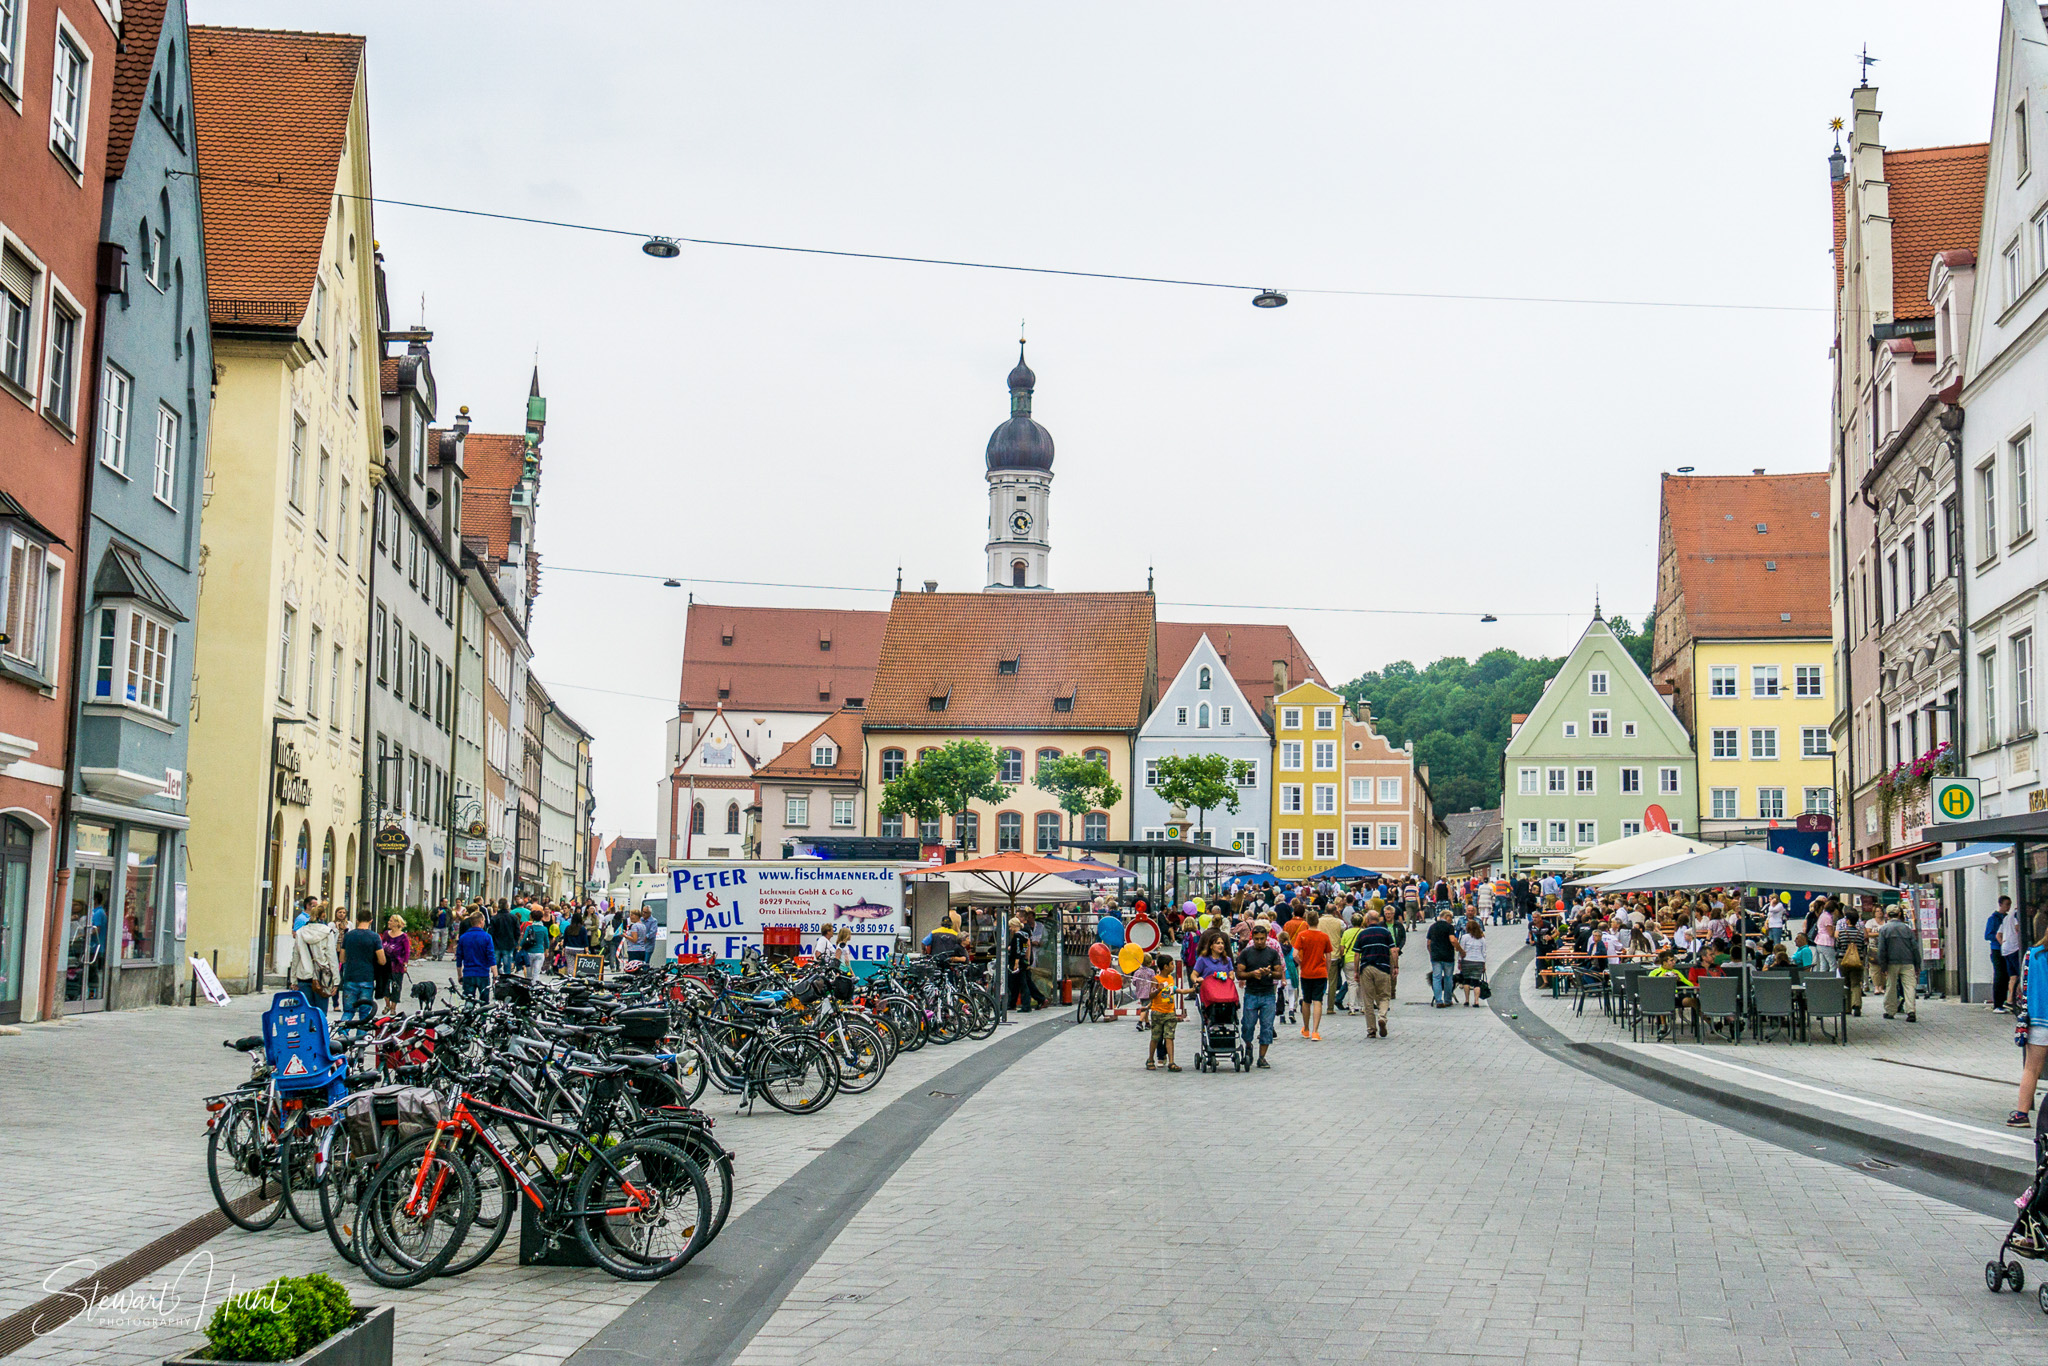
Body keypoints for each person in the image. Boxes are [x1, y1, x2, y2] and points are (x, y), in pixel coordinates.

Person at [2012, 917, 2048, 1127]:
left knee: (2031, 1069)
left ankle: (2021, 1114)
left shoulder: (2032, 955)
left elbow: (2023, 987)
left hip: (2039, 1020)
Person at [1234, 923, 1284, 1068]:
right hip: (1251, 993)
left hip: (1268, 994)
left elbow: (1279, 973)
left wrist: (1268, 973)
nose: (1260, 942)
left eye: (1262, 938)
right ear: (1253, 938)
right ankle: (1248, 1046)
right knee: (1248, 1024)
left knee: (1267, 1026)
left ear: (1266, 937)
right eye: (1257, 939)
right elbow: (1239, 973)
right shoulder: (1246, 953)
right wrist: (1252, 974)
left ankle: (1262, 1057)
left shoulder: (1272, 953)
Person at [1353, 909, 1397, 1036]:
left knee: (1368, 999)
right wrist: (1395, 967)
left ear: (1366, 920)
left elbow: (1357, 954)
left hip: (1366, 968)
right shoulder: (1386, 932)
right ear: (1379, 919)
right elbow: (1393, 950)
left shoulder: (1362, 934)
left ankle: (1371, 1030)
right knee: (1384, 996)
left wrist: (1356, 971)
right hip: (1383, 967)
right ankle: (1382, 1016)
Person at [289, 904, 340, 1014]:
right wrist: (336, 981)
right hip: (322, 977)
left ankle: (308, 1031)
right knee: (321, 1014)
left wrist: (293, 979)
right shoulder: (327, 932)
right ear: (323, 916)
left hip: (303, 975)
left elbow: (295, 957)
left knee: (306, 1013)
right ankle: (318, 1031)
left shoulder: (300, 932)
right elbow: (332, 957)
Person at [1874, 906, 1921, 1022]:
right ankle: (1911, 1011)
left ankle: (1890, 1011)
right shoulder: (1907, 929)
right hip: (1908, 961)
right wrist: (1917, 964)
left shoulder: (1884, 929)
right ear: (1899, 914)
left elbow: (1881, 950)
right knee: (1909, 986)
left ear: (1887, 915)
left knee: (1891, 986)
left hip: (1891, 962)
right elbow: (1915, 948)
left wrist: (1883, 965)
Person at [338, 911, 385, 1024]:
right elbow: (382, 960)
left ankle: (342, 1034)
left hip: (350, 977)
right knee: (365, 1013)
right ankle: (362, 1038)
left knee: (348, 1011)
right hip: (367, 977)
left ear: (357, 920)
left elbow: (342, 958)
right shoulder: (374, 937)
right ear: (371, 921)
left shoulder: (348, 935)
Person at [1292, 912, 1332, 1040]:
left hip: (1306, 972)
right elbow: (1329, 956)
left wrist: (1301, 963)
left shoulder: (1302, 935)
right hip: (1320, 972)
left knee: (1306, 1000)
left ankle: (1306, 1029)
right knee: (1318, 1000)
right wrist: (1327, 969)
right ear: (1318, 921)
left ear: (1307, 921)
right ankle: (1315, 1031)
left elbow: (1294, 954)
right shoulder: (1324, 936)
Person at [1145, 954, 1183, 1072]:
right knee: (1155, 1037)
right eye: (1171, 964)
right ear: (1165, 966)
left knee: (1169, 1037)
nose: (1173, 966)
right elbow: (1150, 995)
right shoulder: (1156, 979)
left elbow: (1172, 992)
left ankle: (1171, 1061)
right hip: (1158, 1012)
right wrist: (1158, 989)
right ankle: (1150, 1059)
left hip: (1169, 1011)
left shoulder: (1171, 978)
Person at [1423, 908, 1458, 1008]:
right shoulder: (1449, 927)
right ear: (1447, 917)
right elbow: (1453, 940)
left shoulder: (1432, 927)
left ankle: (1438, 1000)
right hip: (1448, 956)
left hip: (1436, 957)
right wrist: (1460, 950)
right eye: (1451, 918)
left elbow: (1428, 943)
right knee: (1448, 978)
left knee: (1436, 978)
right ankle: (1447, 1000)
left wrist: (1431, 953)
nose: (1451, 920)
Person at [457, 913, 496, 1002]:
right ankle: (482, 1015)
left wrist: (459, 975)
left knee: (469, 1001)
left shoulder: (463, 937)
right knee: (484, 1002)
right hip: (483, 974)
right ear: (481, 921)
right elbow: (491, 958)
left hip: (468, 973)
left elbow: (459, 958)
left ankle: (469, 1014)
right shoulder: (487, 937)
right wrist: (495, 975)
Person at [1835, 909, 1867, 1014]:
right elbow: (1862, 946)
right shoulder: (1861, 933)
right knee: (1856, 983)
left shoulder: (1842, 933)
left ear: (1847, 920)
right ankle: (1857, 1005)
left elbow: (1838, 946)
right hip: (1857, 960)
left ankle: (1847, 1007)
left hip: (1843, 960)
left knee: (1846, 983)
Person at [378, 914, 412, 1013]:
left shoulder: (403, 936)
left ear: (397, 923)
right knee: (384, 985)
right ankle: (387, 1004)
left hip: (397, 965)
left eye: (391, 920)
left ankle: (393, 1007)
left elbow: (407, 952)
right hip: (385, 964)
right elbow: (380, 947)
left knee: (396, 986)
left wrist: (405, 964)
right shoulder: (386, 934)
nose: (389, 922)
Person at [1999, 899, 2026, 1012]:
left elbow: (1998, 935)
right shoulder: (2016, 915)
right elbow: (2017, 928)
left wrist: (2004, 943)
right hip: (2014, 948)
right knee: (2021, 974)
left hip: (2006, 949)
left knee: (2013, 977)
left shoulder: (2006, 918)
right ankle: (2016, 999)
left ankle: (2010, 1000)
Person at [1456, 917, 1487, 1007]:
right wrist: (1484, 964)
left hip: (1467, 961)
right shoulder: (1482, 939)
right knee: (1476, 982)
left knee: (1467, 981)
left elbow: (1461, 950)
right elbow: (1484, 952)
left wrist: (1459, 962)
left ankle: (1466, 1000)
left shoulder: (1465, 937)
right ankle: (1476, 1001)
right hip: (1479, 961)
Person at [518, 913, 549, 982]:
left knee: (529, 974)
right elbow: (546, 941)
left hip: (529, 952)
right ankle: (535, 987)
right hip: (540, 952)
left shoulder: (529, 928)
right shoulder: (544, 929)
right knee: (536, 973)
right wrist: (546, 950)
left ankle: (529, 987)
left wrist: (520, 947)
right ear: (541, 918)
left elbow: (524, 938)